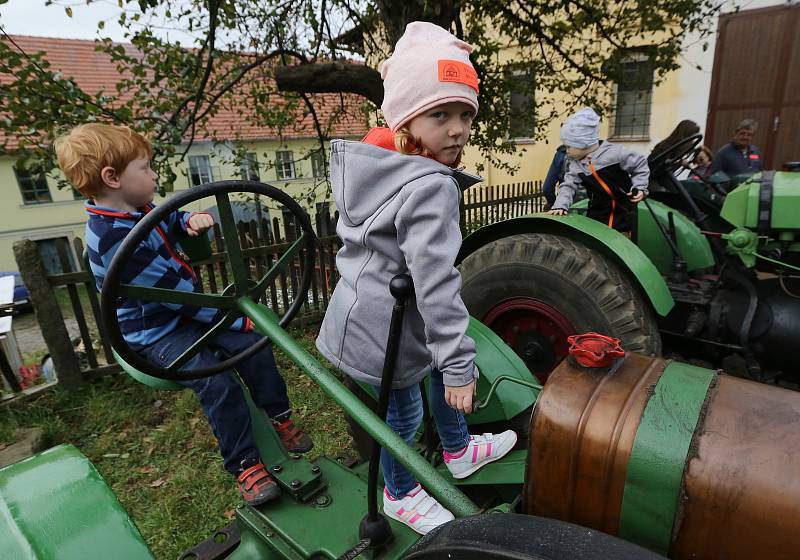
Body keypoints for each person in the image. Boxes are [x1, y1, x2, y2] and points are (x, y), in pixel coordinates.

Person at [315, 22, 517, 535]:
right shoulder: (429, 186)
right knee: (404, 416)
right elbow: (435, 283)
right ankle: (400, 493)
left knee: (430, 374)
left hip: (371, 317)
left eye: (465, 114)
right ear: (407, 118)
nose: (457, 129)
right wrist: (459, 363)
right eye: (440, 114)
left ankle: (458, 450)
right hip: (385, 333)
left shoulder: (384, 168)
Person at [54, 123, 312, 507]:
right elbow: (182, 299)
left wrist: (186, 221)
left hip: (183, 311)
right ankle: (244, 463)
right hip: (154, 332)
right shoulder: (114, 241)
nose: (154, 174)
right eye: (144, 168)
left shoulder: (135, 208)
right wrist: (238, 317)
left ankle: (280, 417)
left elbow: (166, 219)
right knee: (216, 380)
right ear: (113, 178)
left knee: (255, 344)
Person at [548, 108, 649, 236]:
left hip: (621, 212)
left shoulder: (615, 153)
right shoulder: (576, 164)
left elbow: (639, 164)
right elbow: (568, 185)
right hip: (596, 212)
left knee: (618, 242)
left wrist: (640, 186)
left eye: (569, 146)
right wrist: (560, 205)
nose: (566, 150)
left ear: (583, 143)